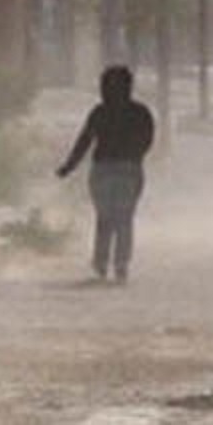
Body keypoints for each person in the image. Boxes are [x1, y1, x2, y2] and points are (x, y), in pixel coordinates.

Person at [56, 66, 154, 283]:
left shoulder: (99, 112)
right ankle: (121, 263)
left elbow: (84, 142)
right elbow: (148, 140)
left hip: (103, 170)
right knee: (124, 218)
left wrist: (69, 167)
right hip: (129, 169)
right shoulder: (141, 113)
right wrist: (133, 157)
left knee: (105, 218)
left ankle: (101, 263)